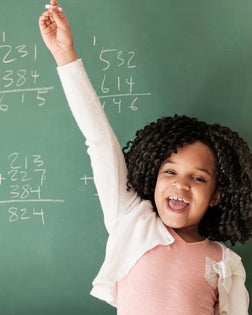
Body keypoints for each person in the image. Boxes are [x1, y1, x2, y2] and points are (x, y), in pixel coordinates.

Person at [39, 2, 251, 314]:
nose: (181, 184)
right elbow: (98, 139)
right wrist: (64, 55)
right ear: (154, 176)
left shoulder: (224, 263)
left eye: (198, 177)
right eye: (170, 172)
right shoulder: (131, 221)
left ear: (217, 195)